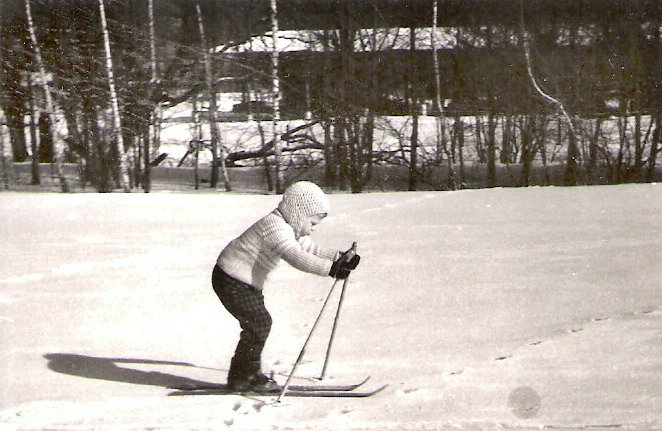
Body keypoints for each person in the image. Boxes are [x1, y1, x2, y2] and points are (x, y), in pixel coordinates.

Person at [212, 181, 360, 392]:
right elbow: (295, 256)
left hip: (244, 282)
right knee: (259, 324)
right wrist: (331, 269)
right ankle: (243, 376)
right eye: (312, 223)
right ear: (299, 214)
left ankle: (246, 373)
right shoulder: (274, 227)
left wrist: (338, 257)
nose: (313, 228)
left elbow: (308, 248)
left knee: (258, 324)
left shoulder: (287, 227)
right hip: (230, 279)